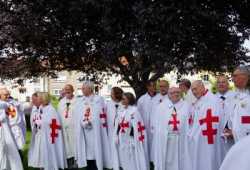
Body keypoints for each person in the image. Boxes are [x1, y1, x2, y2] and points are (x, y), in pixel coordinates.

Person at [72, 81, 112, 170]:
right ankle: (89, 166)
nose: (82, 90)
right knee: (86, 152)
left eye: (83, 88)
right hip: (83, 131)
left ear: (90, 89)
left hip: (95, 130)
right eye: (82, 88)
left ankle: (97, 166)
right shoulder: (80, 101)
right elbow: (77, 114)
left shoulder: (98, 100)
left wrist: (91, 121)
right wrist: (83, 122)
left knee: (95, 150)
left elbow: (100, 114)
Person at [187, 80, 222, 170]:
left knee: (209, 160)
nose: (194, 92)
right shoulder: (199, 101)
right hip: (199, 138)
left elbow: (212, 121)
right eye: (192, 90)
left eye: (195, 89)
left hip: (207, 138)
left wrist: (193, 135)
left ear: (202, 87)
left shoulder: (212, 100)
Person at [154, 87, 191, 170]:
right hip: (166, 140)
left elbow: (190, 123)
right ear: (168, 95)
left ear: (181, 93)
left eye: (177, 92)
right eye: (172, 93)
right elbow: (158, 125)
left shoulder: (187, 106)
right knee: (167, 160)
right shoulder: (161, 107)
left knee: (181, 160)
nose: (175, 94)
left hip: (182, 139)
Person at [28, 92, 67, 170]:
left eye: (39, 98)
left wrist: (42, 122)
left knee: (47, 154)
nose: (38, 99)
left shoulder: (51, 110)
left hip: (48, 137)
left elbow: (54, 123)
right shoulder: (41, 108)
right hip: (40, 136)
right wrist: (37, 122)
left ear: (43, 99)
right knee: (41, 156)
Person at [112, 92, 149, 170]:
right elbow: (117, 125)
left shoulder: (134, 111)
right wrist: (116, 135)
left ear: (129, 100)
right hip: (122, 139)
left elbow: (137, 127)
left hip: (130, 140)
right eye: (122, 99)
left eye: (124, 99)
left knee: (132, 158)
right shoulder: (120, 110)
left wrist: (133, 138)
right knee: (123, 157)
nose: (122, 100)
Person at [0, 89, 23, 170]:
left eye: (8, 94)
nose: (7, 96)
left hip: (9, 129)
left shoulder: (10, 104)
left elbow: (13, 117)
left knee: (11, 148)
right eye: (5, 94)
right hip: (2, 129)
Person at [137, 80, 158, 162]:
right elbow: (138, 113)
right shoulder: (142, 99)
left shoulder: (160, 98)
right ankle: (147, 159)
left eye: (154, 86)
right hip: (145, 125)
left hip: (156, 125)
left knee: (155, 142)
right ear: (147, 87)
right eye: (151, 86)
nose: (153, 88)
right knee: (147, 142)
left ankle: (155, 159)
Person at [57, 84, 78, 169]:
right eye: (66, 89)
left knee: (74, 145)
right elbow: (58, 114)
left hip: (74, 128)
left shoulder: (78, 101)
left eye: (69, 89)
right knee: (66, 146)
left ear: (73, 90)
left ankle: (76, 162)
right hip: (63, 128)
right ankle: (67, 163)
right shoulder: (61, 102)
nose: (67, 91)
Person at [215, 75, 235, 157]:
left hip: (232, 136)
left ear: (228, 84)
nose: (221, 84)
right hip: (216, 137)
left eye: (223, 82)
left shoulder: (235, 97)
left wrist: (233, 131)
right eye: (219, 82)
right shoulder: (212, 99)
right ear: (216, 85)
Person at [229, 66, 250, 142]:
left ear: (244, 76)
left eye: (235, 76)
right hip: (237, 139)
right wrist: (230, 129)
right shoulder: (234, 96)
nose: (232, 79)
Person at [106, 87, 124, 168]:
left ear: (116, 94)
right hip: (111, 130)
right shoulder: (108, 104)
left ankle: (123, 163)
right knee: (113, 146)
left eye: (112, 93)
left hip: (122, 130)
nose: (110, 95)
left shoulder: (123, 104)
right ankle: (114, 164)